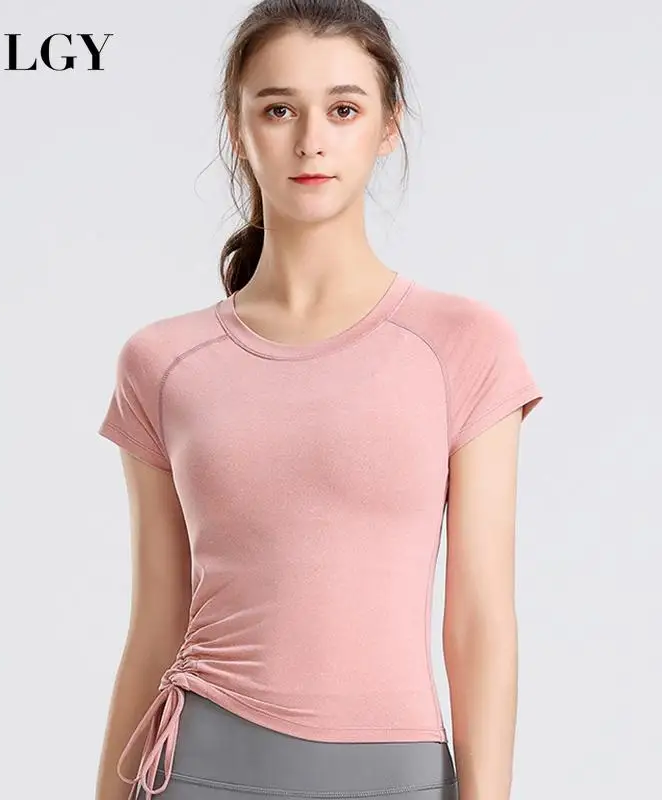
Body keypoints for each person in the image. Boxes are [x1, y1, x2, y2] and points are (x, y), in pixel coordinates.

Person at [94, 2, 544, 799]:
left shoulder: (463, 343)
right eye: (278, 110)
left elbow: (480, 622)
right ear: (238, 130)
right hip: (196, 769)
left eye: (343, 109)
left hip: (394, 776)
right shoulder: (162, 362)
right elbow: (154, 623)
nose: (311, 140)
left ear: (388, 125)